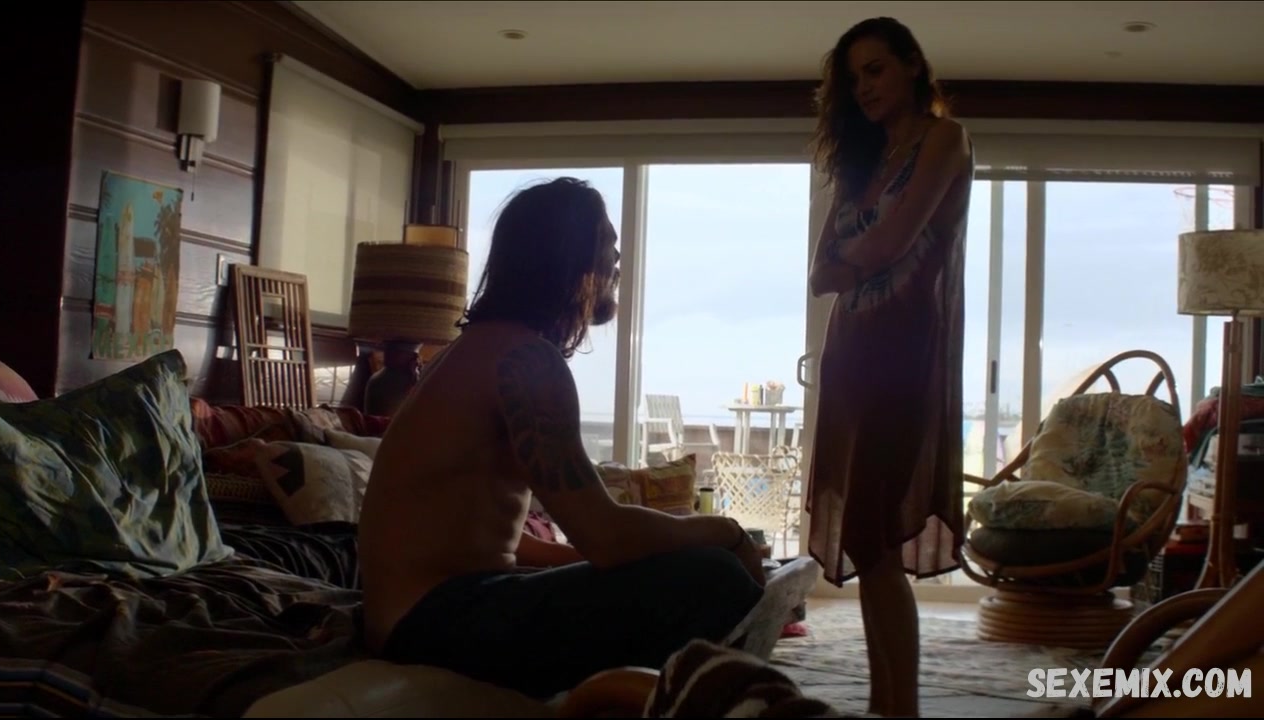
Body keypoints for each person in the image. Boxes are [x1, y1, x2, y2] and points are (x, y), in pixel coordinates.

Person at [357, 177, 768, 701]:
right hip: (434, 626)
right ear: (566, 255)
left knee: (674, 563)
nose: (617, 261)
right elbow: (607, 535)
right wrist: (725, 532)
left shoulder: (476, 350)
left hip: (423, 616)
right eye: (607, 244)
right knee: (711, 575)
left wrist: (615, 556)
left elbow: (499, 541)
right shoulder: (524, 360)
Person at [805, 17, 975, 718]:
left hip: (906, 355)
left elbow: (891, 244)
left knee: (874, 532)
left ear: (911, 64)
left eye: (875, 69)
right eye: (854, 79)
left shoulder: (944, 138)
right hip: (851, 356)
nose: (865, 87)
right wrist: (857, 260)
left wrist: (856, 259)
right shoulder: (865, 162)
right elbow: (820, 274)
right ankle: (886, 702)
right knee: (863, 536)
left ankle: (900, 707)